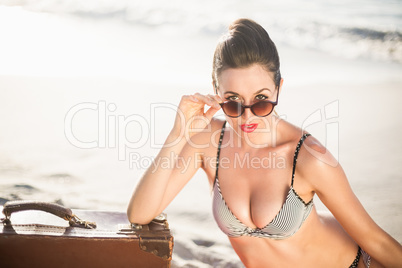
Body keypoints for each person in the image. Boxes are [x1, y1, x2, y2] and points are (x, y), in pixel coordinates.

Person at [127, 18, 402, 267]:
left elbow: (377, 242)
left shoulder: (308, 157)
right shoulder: (208, 141)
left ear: (279, 88)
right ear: (216, 93)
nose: (247, 116)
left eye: (261, 100)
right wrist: (178, 134)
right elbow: (140, 213)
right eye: (233, 102)